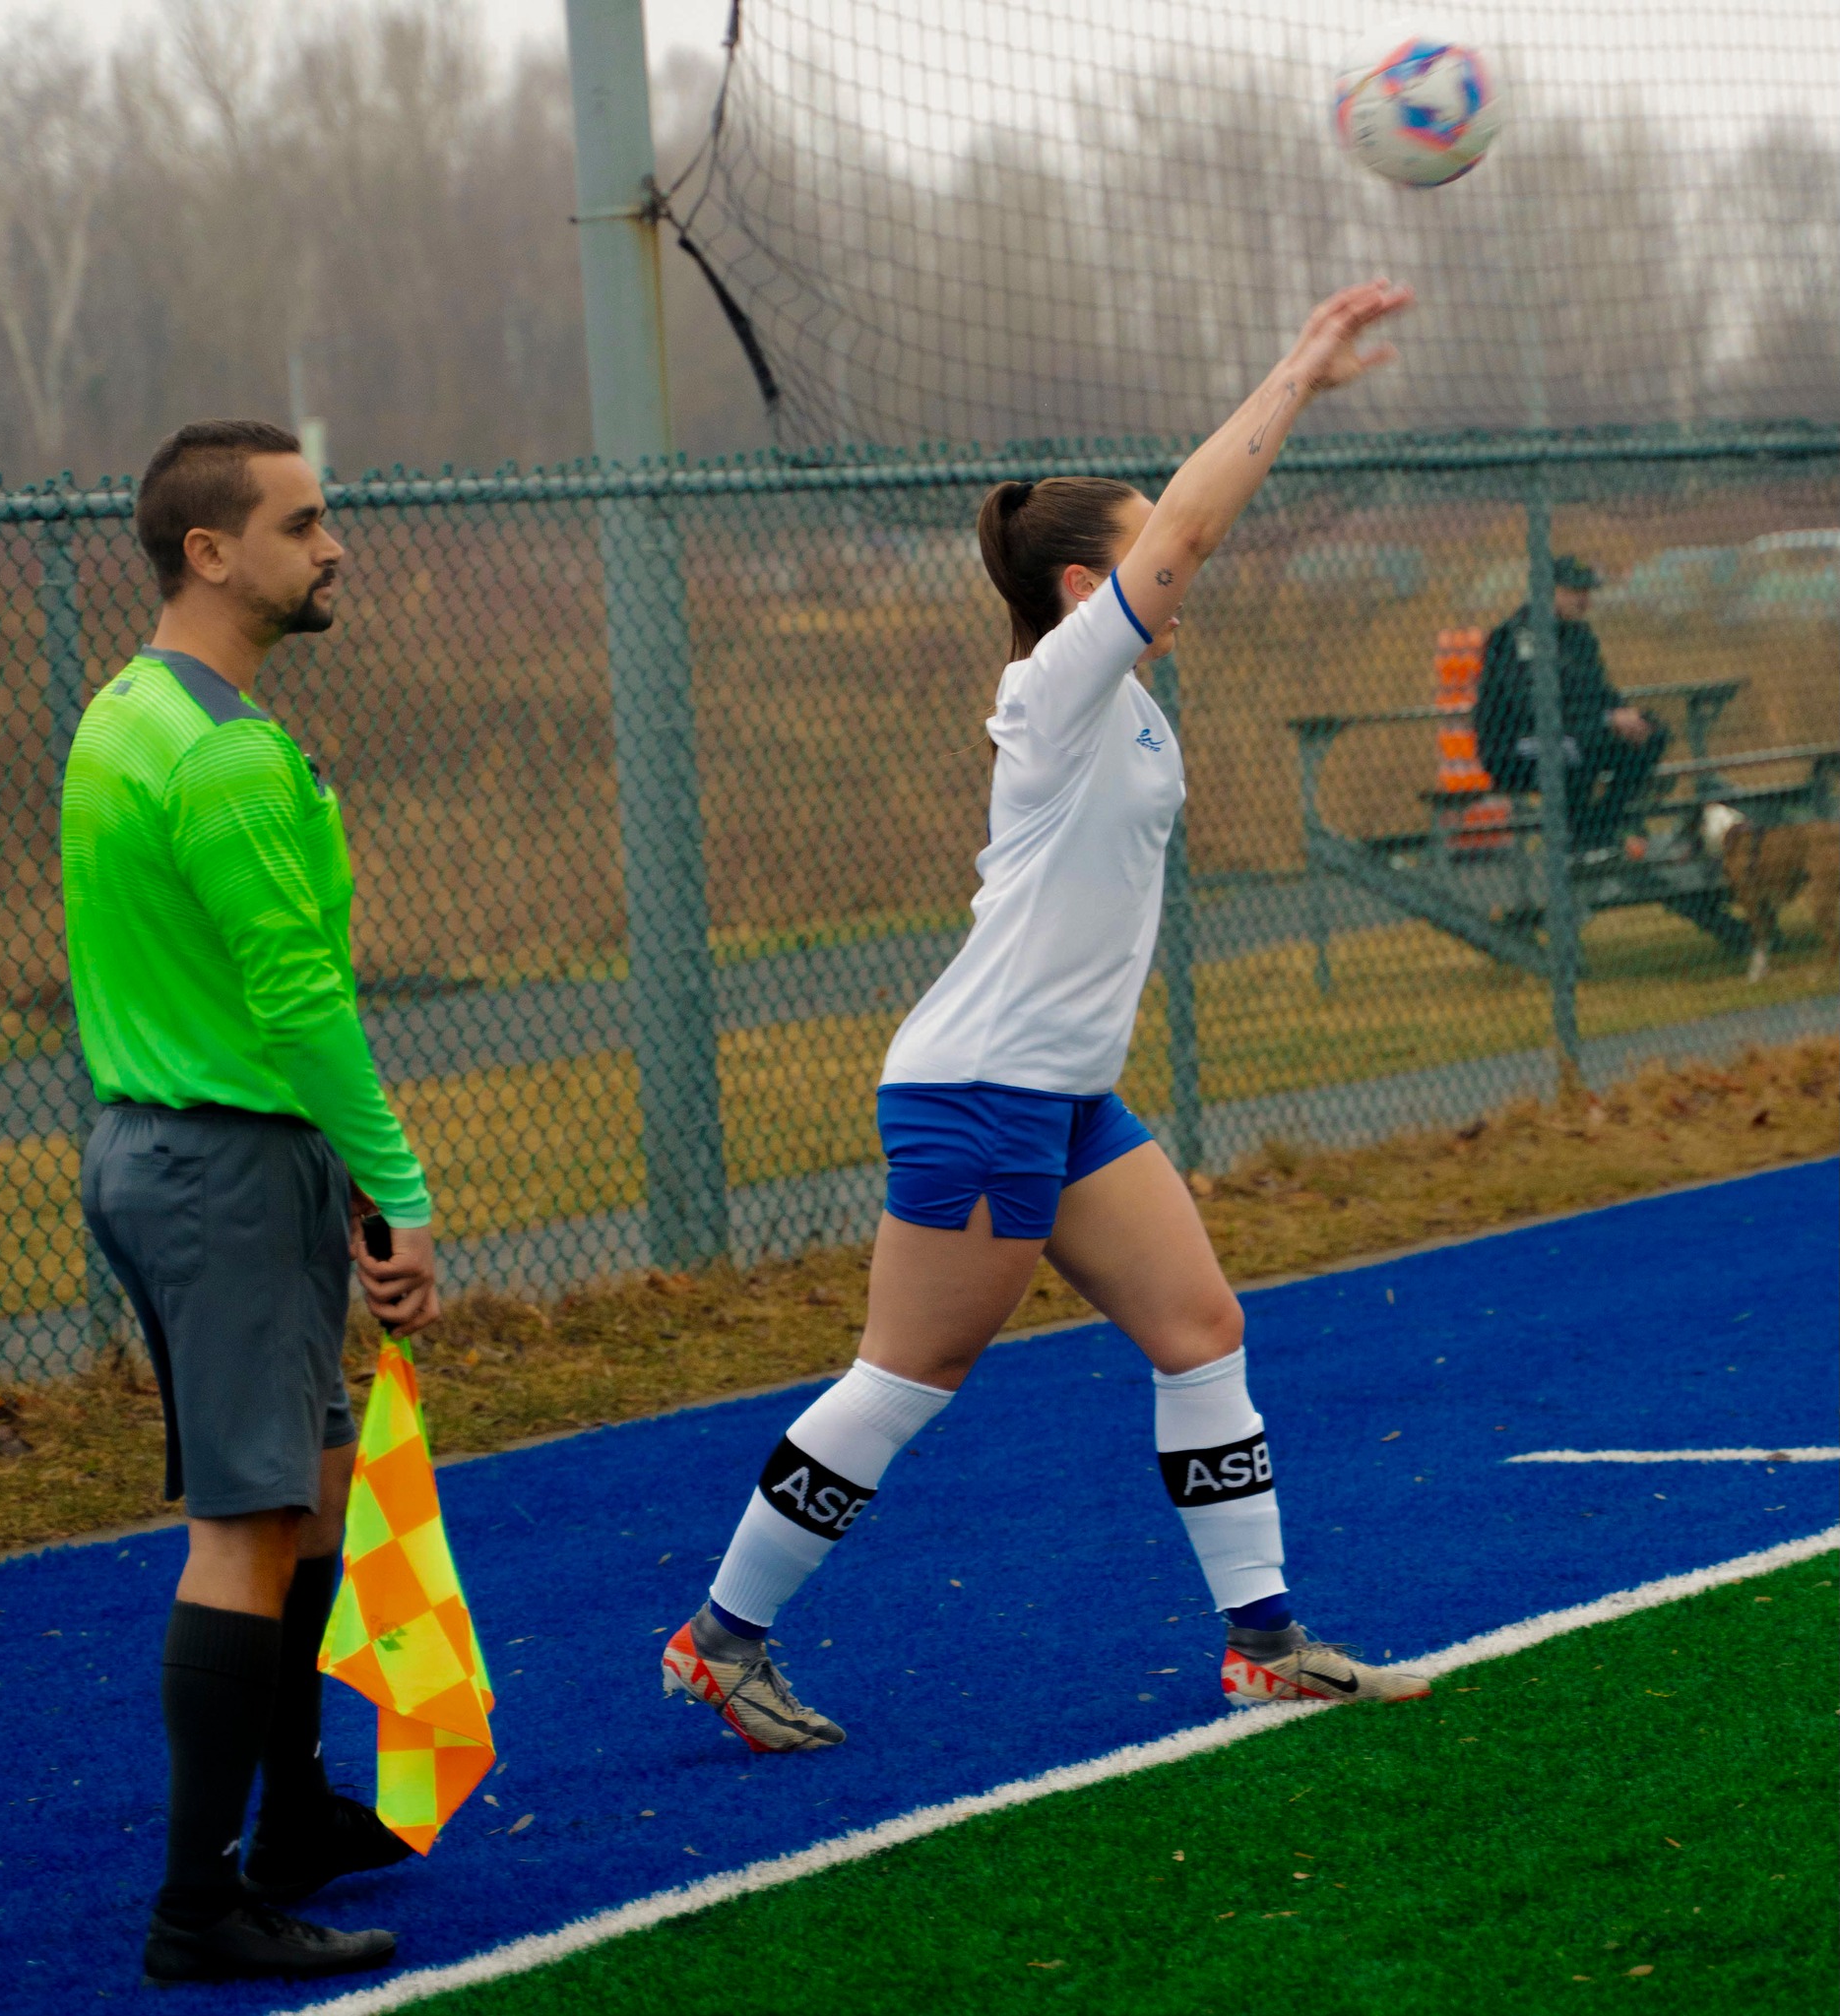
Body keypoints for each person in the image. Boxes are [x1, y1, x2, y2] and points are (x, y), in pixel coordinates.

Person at [659, 282, 1432, 1753]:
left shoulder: (1118, 693)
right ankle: (718, 1639)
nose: (1172, 574)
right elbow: (1190, 527)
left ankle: (1263, 1645)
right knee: (906, 1375)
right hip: (980, 1090)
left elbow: (1174, 546)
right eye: (1141, 558)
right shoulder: (1061, 681)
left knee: (1199, 1330)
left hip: (1063, 1095)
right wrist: (1292, 376)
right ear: (1086, 587)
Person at [62, 420, 440, 1983]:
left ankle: (290, 1823)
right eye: (300, 523)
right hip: (220, 1167)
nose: (331, 545)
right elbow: (296, 1002)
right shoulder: (221, 754)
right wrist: (396, 1186)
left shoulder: (127, 710)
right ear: (209, 552)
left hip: (174, 1153)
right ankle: (198, 1909)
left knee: (319, 1484)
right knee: (246, 1527)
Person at [1473, 555, 1670, 850]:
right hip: (1514, 745)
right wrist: (1605, 720)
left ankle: (1602, 828)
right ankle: (1582, 844)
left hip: (1574, 732)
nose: (1584, 599)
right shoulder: (1517, 636)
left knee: (1650, 735)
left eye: (1587, 591)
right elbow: (1531, 706)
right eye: (1575, 591)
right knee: (1573, 751)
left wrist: (1624, 715)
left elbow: (1599, 691)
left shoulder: (1580, 636)